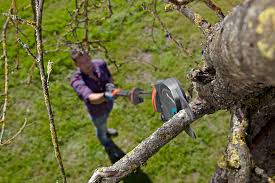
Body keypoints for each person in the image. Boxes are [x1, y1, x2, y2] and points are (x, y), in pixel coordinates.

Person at [70, 49, 121, 151]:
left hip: (108, 105)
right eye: (82, 63)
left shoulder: (100, 64)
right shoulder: (76, 80)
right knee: (100, 126)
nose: (87, 65)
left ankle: (106, 130)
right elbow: (91, 98)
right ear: (76, 65)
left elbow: (110, 78)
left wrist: (112, 87)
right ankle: (105, 141)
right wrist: (108, 95)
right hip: (97, 112)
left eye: (87, 60)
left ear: (90, 57)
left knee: (105, 121)